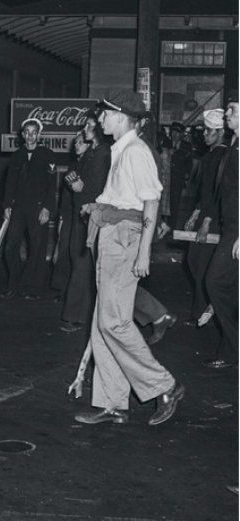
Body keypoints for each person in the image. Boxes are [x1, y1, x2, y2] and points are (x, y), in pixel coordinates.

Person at [74, 88, 183, 427]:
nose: (99, 119)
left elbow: (150, 202)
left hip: (124, 241)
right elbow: (127, 198)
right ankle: (112, 403)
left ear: (121, 116)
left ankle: (164, 385)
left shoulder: (135, 151)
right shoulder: (119, 150)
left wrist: (144, 251)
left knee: (114, 322)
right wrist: (99, 206)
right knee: (101, 324)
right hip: (110, 237)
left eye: (104, 114)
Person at [59, 115, 110, 333]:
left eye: (90, 126)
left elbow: (101, 189)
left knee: (83, 265)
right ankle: (80, 314)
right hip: (81, 214)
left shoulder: (103, 153)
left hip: (93, 215)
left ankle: (75, 316)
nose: (85, 129)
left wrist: (82, 189)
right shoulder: (91, 153)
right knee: (82, 264)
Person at [1, 118, 57, 299]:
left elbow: (51, 185)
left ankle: (32, 288)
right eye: (27, 132)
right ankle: (13, 285)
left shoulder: (47, 154)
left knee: (37, 247)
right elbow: (10, 183)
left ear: (39, 135)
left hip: (38, 207)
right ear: (22, 134)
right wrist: (7, 205)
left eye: (34, 132)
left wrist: (47, 207)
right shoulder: (17, 155)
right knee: (11, 245)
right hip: (18, 207)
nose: (30, 136)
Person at [203, 91, 238, 369]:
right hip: (230, 227)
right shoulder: (234, 144)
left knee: (214, 281)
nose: (227, 113)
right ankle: (230, 350)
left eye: (232, 109)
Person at [183, 109, 226, 325]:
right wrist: (196, 212)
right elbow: (205, 191)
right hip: (205, 214)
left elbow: (219, 193)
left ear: (220, 133)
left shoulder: (223, 157)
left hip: (215, 219)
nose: (204, 135)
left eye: (209, 131)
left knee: (203, 267)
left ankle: (203, 312)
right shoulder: (210, 156)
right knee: (193, 261)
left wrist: (207, 221)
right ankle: (206, 307)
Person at [168, 121, 198, 230]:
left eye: (177, 133)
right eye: (173, 132)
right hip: (165, 179)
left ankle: (171, 227)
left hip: (178, 179)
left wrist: (186, 178)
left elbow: (188, 164)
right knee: (163, 203)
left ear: (182, 135)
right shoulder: (165, 143)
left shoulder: (187, 146)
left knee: (174, 204)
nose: (174, 135)